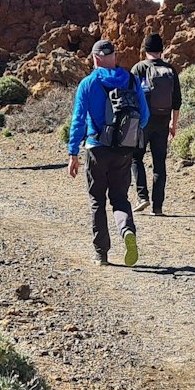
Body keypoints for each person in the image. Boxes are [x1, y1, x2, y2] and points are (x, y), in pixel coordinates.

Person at [67, 38, 149, 266]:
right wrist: (125, 136)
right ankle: (126, 230)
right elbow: (144, 117)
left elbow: (78, 120)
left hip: (96, 149)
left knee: (97, 200)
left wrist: (73, 153)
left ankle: (101, 253)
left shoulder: (88, 83)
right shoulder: (132, 80)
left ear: (95, 58)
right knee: (120, 198)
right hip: (124, 150)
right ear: (114, 56)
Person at [129, 33, 181, 216]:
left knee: (136, 158)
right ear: (161, 50)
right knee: (159, 164)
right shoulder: (170, 70)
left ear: (145, 49)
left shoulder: (139, 68)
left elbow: (130, 97)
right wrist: (173, 124)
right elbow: (177, 100)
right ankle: (157, 207)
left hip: (142, 123)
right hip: (163, 121)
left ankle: (142, 196)